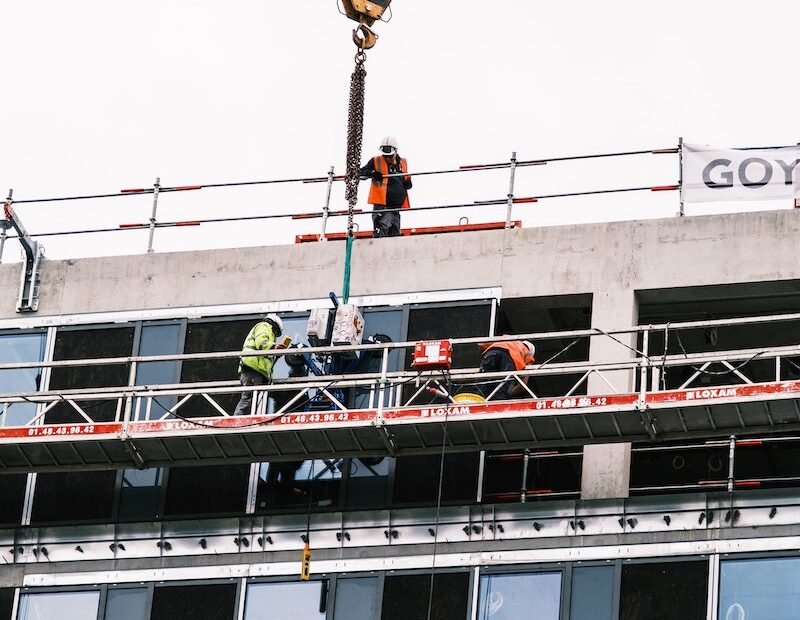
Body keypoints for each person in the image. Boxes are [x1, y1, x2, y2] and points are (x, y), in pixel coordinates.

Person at [360, 136, 412, 238]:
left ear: (395, 152)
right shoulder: (376, 161)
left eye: (390, 156)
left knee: (394, 237)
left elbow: (406, 179)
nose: (387, 158)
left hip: (396, 210)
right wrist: (372, 172)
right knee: (381, 235)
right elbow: (360, 173)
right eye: (385, 156)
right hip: (382, 208)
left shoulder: (403, 163)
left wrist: (408, 183)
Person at [233, 313, 284, 416]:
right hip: (253, 368)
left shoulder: (268, 334)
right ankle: (237, 420)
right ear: (273, 325)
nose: (274, 335)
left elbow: (267, 357)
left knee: (255, 401)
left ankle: (246, 421)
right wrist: (274, 347)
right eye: (275, 332)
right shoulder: (264, 326)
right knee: (249, 398)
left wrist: (276, 353)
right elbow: (261, 342)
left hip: (256, 370)